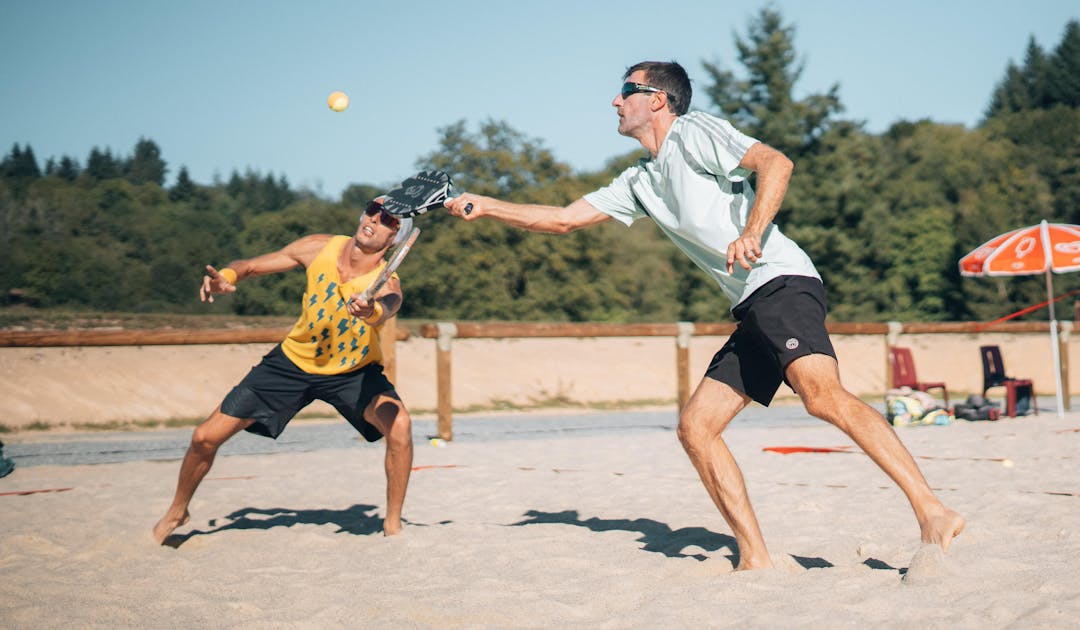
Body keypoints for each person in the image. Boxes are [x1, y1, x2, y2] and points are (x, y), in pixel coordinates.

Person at [445, 60, 964, 570]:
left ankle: (933, 512)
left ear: (657, 100)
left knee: (822, 396)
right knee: (697, 428)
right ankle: (756, 556)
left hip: (780, 281)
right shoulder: (640, 181)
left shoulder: (694, 133)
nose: (614, 100)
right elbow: (562, 220)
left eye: (626, 89)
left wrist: (754, 231)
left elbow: (776, 163)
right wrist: (485, 205)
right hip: (753, 305)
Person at [152, 199, 415, 544]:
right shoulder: (318, 247)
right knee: (204, 438)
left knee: (401, 426)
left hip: (353, 372)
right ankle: (178, 510)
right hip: (291, 363)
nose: (374, 219)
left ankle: (392, 525)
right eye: (372, 210)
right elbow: (248, 266)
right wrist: (226, 277)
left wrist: (370, 311)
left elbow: (388, 306)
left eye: (387, 220)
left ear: (395, 237)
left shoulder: (387, 280)